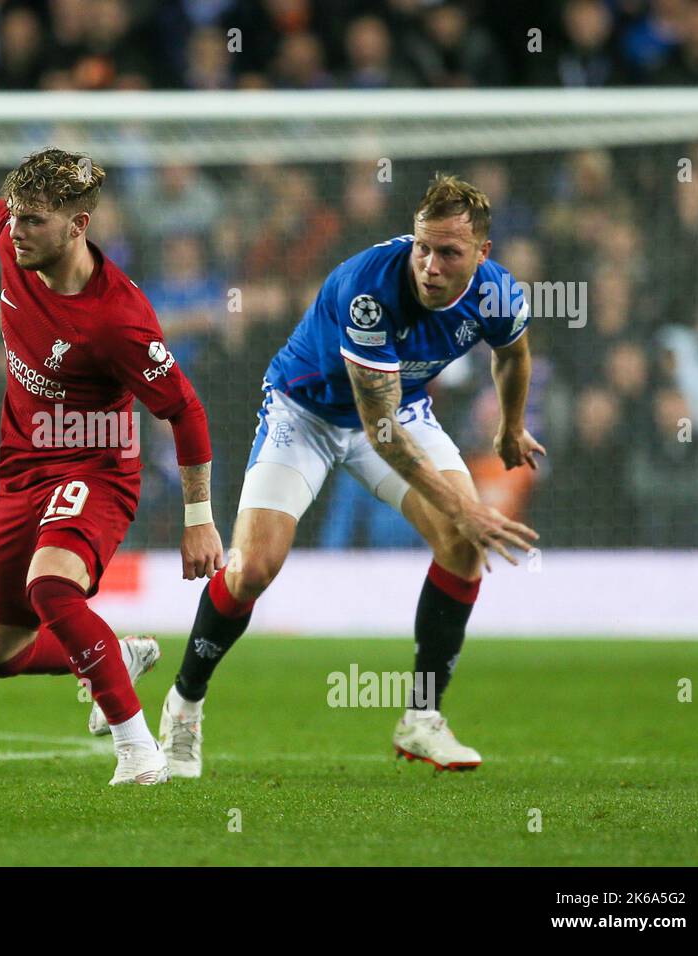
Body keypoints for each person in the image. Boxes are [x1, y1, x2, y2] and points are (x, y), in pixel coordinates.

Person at [160, 174, 544, 776]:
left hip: (399, 408)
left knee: (462, 543)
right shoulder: (369, 291)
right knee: (252, 569)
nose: (431, 264)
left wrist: (510, 427)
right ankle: (184, 702)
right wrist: (465, 505)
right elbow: (381, 432)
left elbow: (513, 353)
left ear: (483, 255)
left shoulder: (499, 293)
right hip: (307, 412)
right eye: (424, 247)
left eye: (449, 253)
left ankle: (422, 718)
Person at [0, 148, 223, 785]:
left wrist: (200, 520)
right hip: (22, 473)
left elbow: (186, 412)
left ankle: (138, 750)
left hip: (96, 470)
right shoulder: (12, 241)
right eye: (15, 217)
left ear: (79, 226)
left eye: (34, 221)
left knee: (51, 586)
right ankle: (115, 657)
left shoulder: (117, 320)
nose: (16, 231)